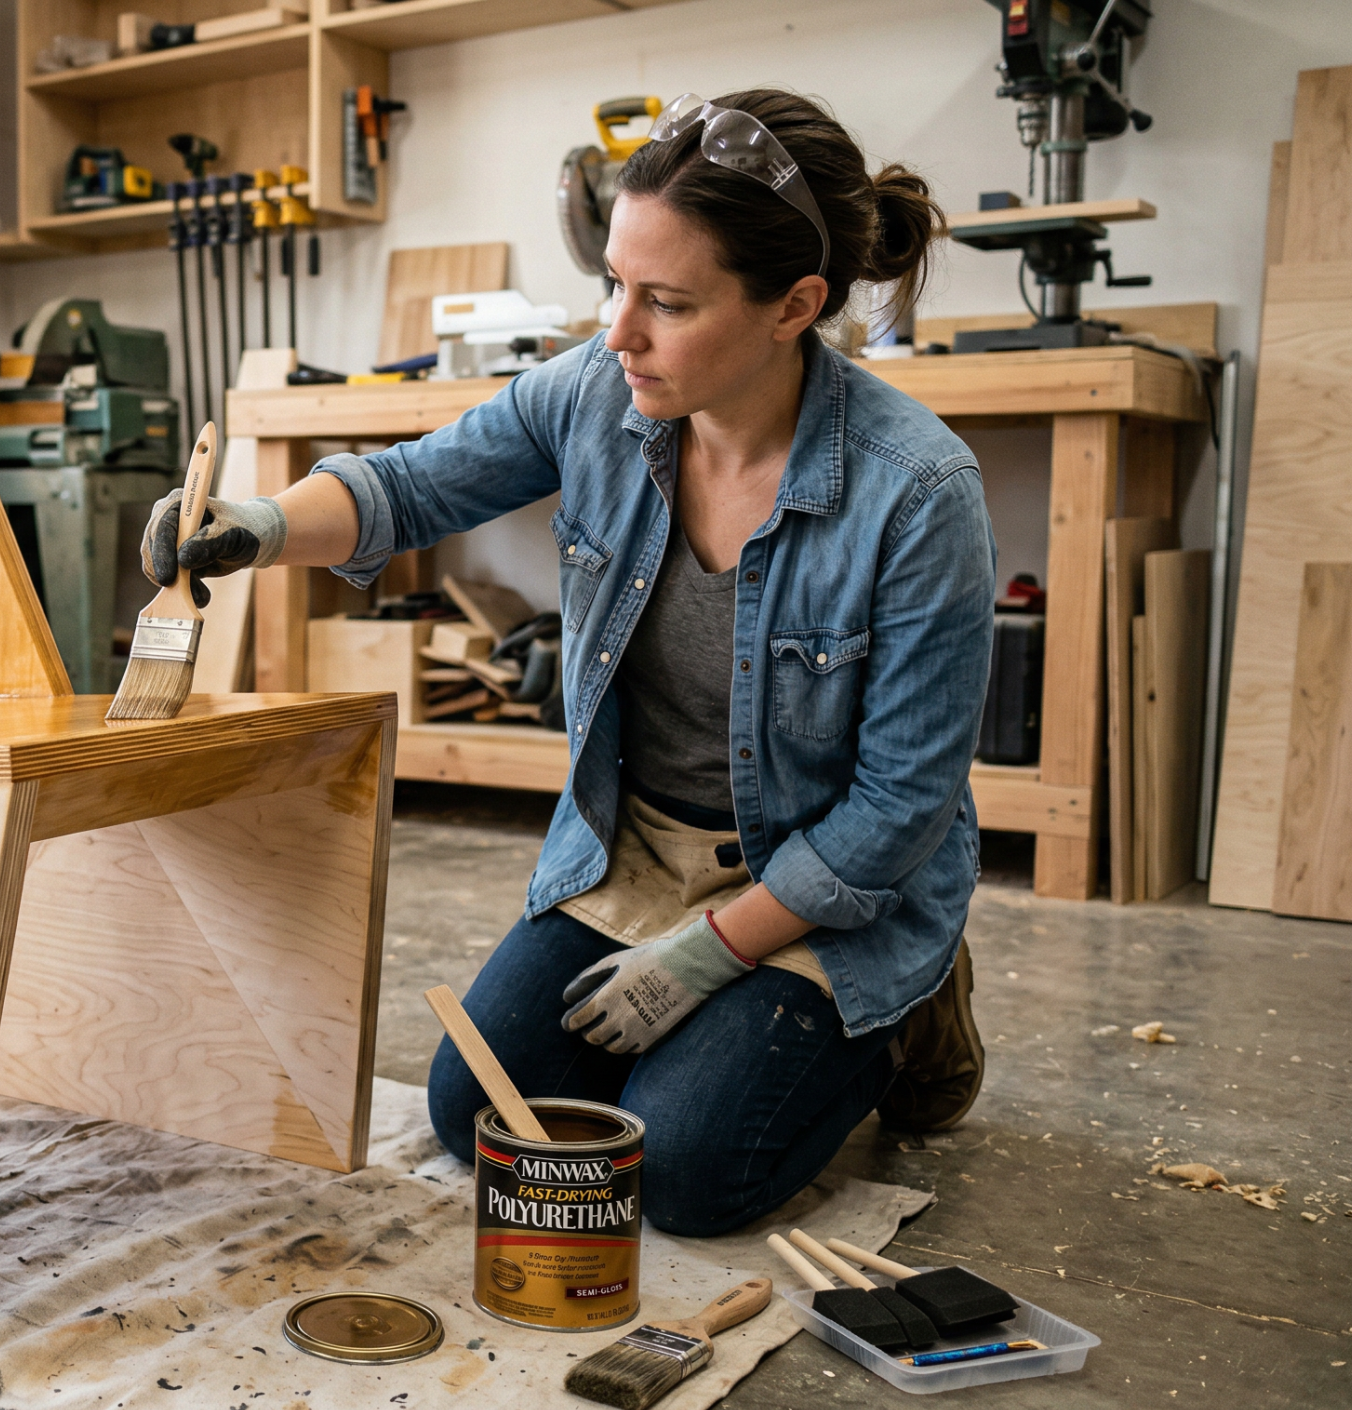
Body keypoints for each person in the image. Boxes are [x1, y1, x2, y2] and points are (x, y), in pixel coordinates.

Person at [138, 89, 993, 1237]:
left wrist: (708, 957)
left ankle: (906, 1008)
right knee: (477, 1114)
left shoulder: (917, 493)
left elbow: (899, 808)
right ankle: (741, 1033)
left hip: (827, 883)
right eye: (613, 283)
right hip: (637, 849)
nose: (617, 330)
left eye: (667, 302)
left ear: (795, 304)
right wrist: (260, 524)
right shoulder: (597, 393)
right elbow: (407, 485)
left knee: (686, 1174)